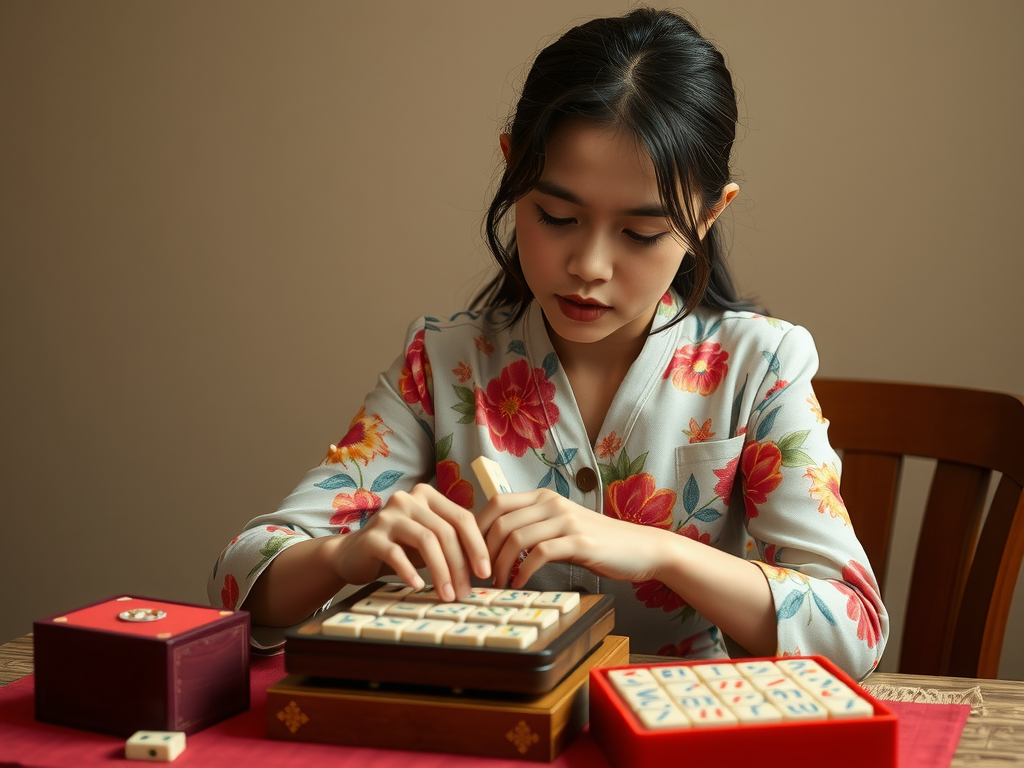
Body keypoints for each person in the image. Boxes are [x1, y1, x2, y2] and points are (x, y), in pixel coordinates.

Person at [208, 7, 888, 679]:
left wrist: (659, 552)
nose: (590, 265)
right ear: (512, 170)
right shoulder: (443, 365)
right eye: (556, 216)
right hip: (476, 727)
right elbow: (242, 573)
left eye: (641, 233)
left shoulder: (758, 367)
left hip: (670, 732)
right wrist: (346, 556)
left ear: (709, 215)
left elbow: (851, 628)